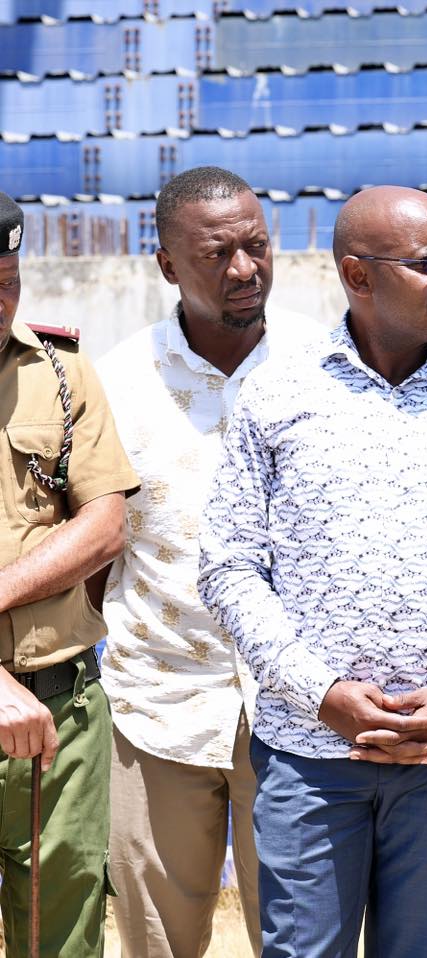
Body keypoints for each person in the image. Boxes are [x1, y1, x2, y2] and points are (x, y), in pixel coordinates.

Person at [198, 185, 427, 957]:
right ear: (358, 276)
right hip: (309, 752)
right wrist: (319, 693)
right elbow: (228, 566)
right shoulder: (279, 391)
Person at [95, 165, 318, 958]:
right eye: (219, 253)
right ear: (166, 265)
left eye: (257, 246)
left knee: (301, 937)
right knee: (158, 938)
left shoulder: (328, 366)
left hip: (302, 709)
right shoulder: (114, 380)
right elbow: (91, 536)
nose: (245, 269)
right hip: (155, 702)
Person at [0, 190, 139, 955]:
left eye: (9, 280)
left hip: (63, 710)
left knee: (64, 936)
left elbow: (104, 525)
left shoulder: (61, 371)